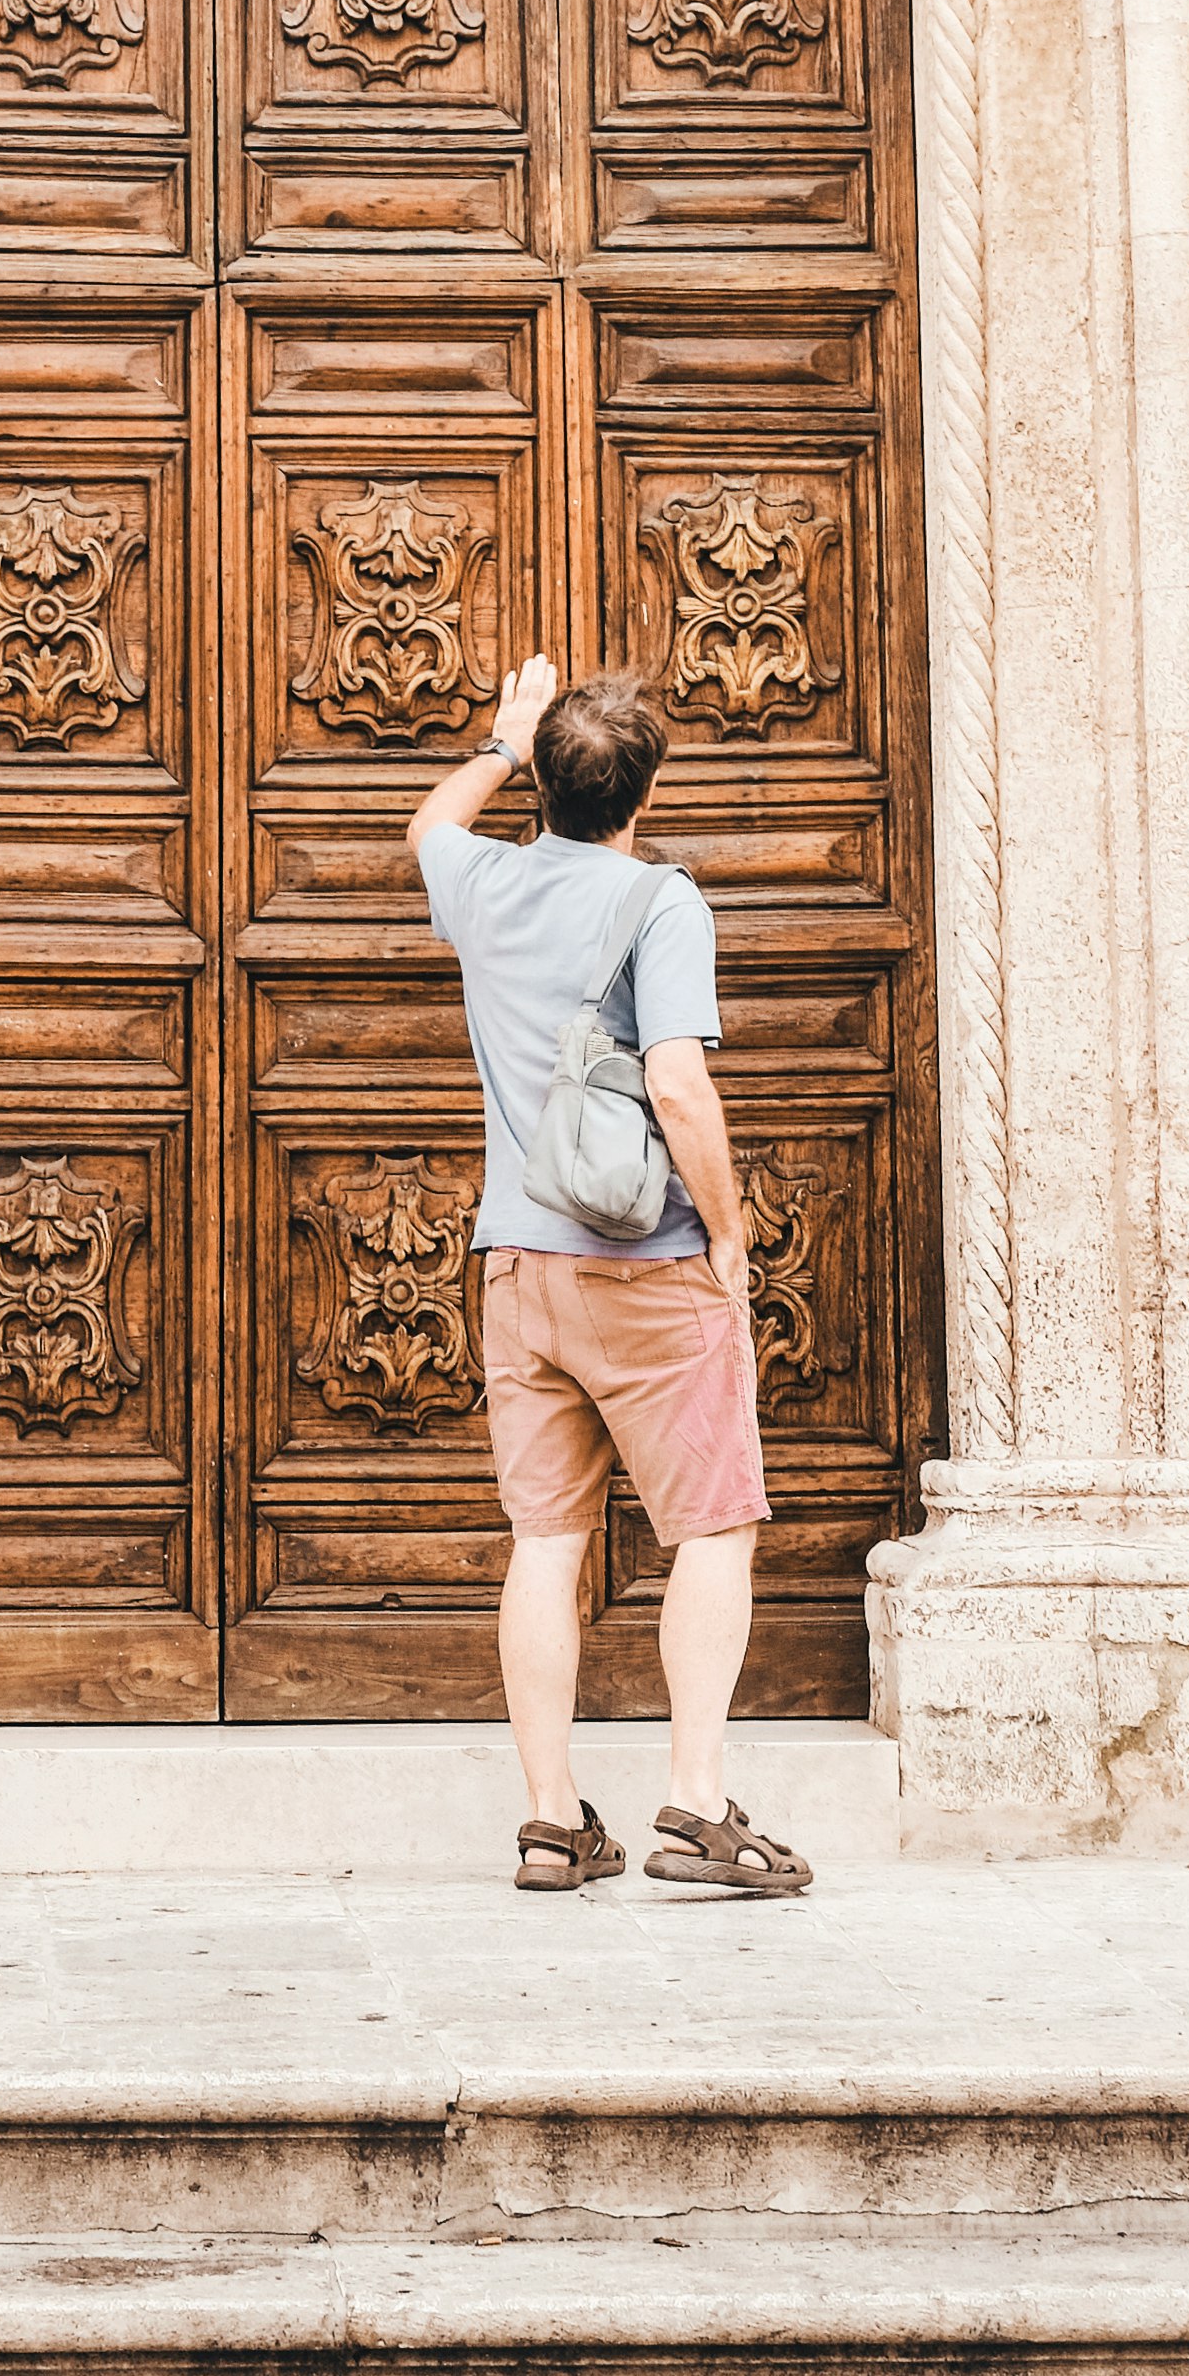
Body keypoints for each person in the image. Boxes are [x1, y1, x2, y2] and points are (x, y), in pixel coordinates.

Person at [408, 651, 811, 1899]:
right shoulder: (659, 902)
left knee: (545, 1538)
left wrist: (500, 738)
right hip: (645, 1266)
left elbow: (431, 822)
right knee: (714, 1527)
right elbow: (680, 1082)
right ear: (641, 795)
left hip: (519, 1263)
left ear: (542, 784)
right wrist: (731, 1233)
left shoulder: (481, 881)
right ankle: (694, 1802)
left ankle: (548, 1820)